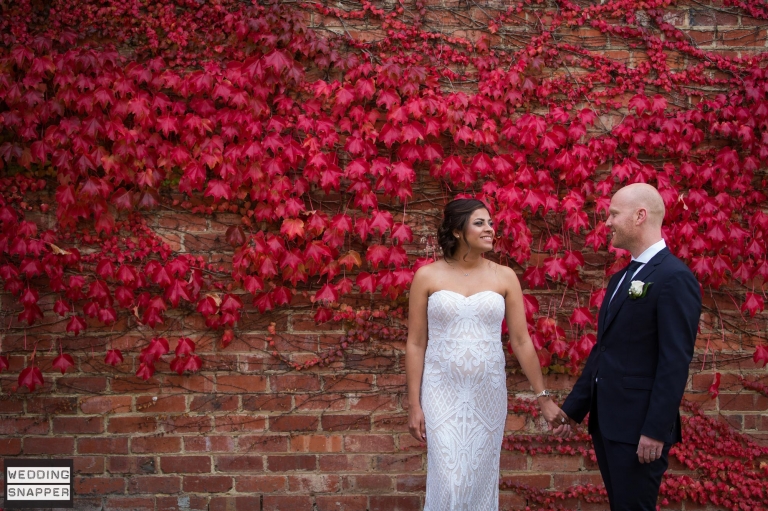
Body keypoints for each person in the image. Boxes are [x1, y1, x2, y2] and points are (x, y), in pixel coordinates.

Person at [405, 198, 570, 511]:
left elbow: (521, 341)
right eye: (479, 223)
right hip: (441, 393)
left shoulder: (505, 276)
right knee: (449, 479)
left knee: (480, 481)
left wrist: (544, 398)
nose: (490, 229)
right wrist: (414, 404)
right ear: (456, 231)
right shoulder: (427, 277)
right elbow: (415, 343)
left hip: (487, 394)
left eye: (491, 223)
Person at [556, 183, 701, 511]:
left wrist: (655, 430)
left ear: (640, 216)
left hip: (640, 431)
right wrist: (573, 410)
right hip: (608, 423)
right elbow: (603, 350)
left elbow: (674, 361)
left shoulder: (674, 277)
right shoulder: (621, 278)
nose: (606, 222)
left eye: (613, 214)